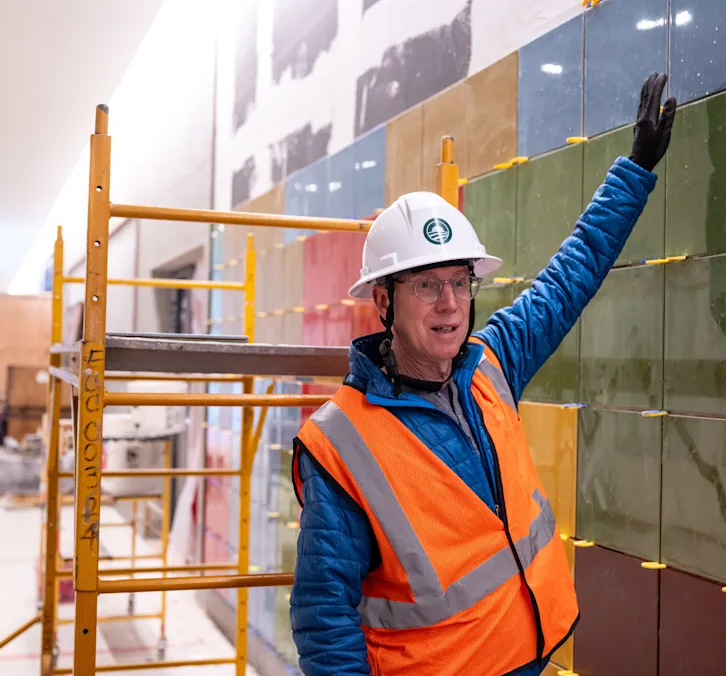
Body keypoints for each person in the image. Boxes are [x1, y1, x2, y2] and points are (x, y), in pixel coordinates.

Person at [289, 72, 677, 676]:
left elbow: (568, 278)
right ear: (384, 301)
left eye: (460, 282)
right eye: (425, 284)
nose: (449, 303)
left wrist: (635, 169)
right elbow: (325, 619)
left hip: (536, 657)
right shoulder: (341, 445)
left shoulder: (491, 363)